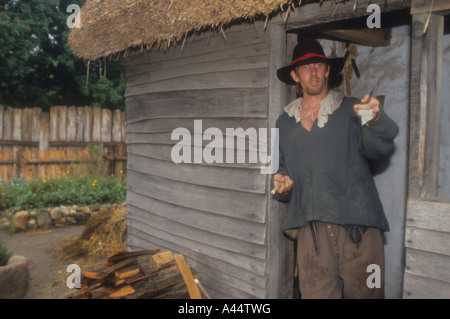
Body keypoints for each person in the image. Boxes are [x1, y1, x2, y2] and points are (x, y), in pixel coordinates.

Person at [273, 39, 399, 299]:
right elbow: (282, 172)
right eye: (305, 68)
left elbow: (382, 146)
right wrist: (282, 184)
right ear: (295, 76)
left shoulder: (352, 110)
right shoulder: (284, 124)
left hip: (361, 231)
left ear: (328, 70)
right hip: (311, 235)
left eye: (319, 65)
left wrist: (375, 118)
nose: (314, 72)